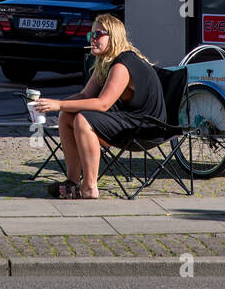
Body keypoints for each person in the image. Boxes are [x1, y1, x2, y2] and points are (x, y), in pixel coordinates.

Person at [34, 14, 164, 200]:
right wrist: (53, 104)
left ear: (114, 37)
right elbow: (86, 95)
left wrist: (60, 104)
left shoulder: (123, 64)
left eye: (98, 34)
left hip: (145, 127)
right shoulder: (105, 61)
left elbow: (103, 104)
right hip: (126, 118)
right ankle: (72, 181)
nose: (92, 39)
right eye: (91, 35)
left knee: (82, 120)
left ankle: (89, 187)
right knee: (66, 116)